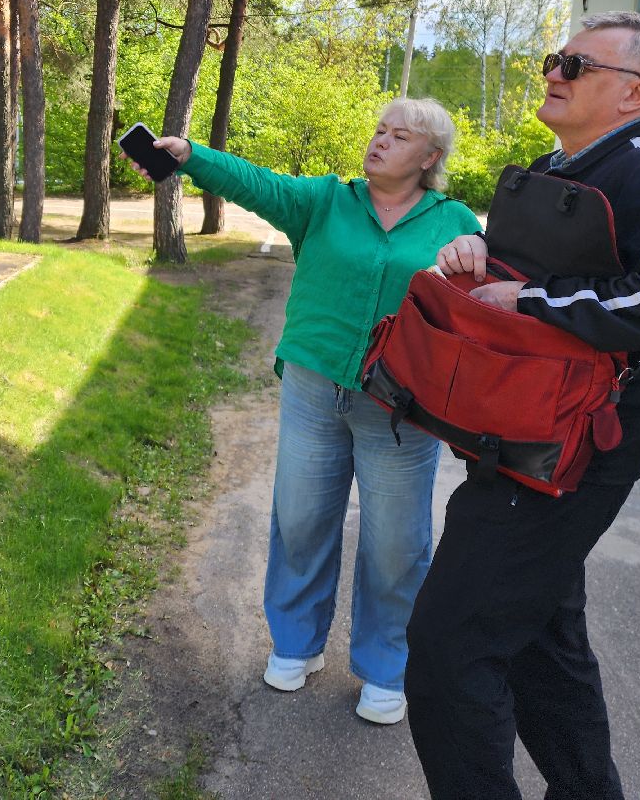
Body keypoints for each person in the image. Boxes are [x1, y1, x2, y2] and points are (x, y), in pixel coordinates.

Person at [409, 11, 640, 799]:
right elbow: (540, 274)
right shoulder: (560, 165)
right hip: (515, 441)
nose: (552, 73)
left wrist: (536, 300)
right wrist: (480, 256)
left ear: (635, 92)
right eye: (553, 58)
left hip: (571, 461)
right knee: (541, 649)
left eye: (575, 65)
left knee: (448, 651)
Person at [134, 97, 480, 725]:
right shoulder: (326, 200)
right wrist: (190, 156)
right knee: (299, 518)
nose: (381, 141)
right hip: (313, 387)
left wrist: (473, 259)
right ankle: (297, 643)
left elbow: (480, 298)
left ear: (429, 157)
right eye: (379, 129)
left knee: (396, 542)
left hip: (400, 408)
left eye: (400, 136)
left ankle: (386, 667)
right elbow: (256, 183)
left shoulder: (454, 222)